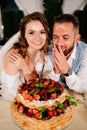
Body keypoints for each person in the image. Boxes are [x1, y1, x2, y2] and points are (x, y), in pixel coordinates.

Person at [0, 12, 52, 101]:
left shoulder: (41, 50)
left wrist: (26, 69)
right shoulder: (14, 57)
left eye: (42, 32)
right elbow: (12, 94)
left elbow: (41, 85)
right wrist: (27, 71)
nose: (38, 38)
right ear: (23, 34)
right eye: (31, 33)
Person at [49, 13, 87, 94]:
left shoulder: (85, 52)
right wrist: (55, 72)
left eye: (65, 37)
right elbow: (45, 87)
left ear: (76, 38)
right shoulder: (47, 52)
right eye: (55, 37)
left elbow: (83, 88)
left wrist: (67, 70)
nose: (59, 43)